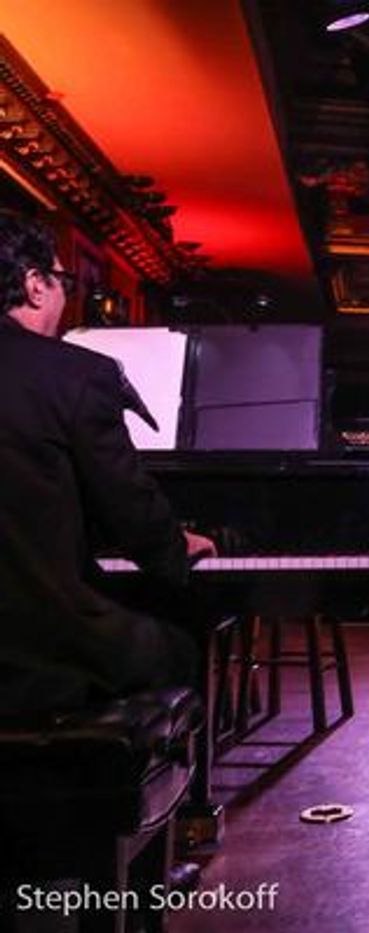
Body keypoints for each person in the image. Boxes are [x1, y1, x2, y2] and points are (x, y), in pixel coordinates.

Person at [0, 211, 215, 717]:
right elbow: (131, 514)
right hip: (38, 650)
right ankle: (148, 791)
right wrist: (172, 547)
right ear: (35, 285)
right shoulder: (74, 373)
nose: (64, 298)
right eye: (63, 281)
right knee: (180, 641)